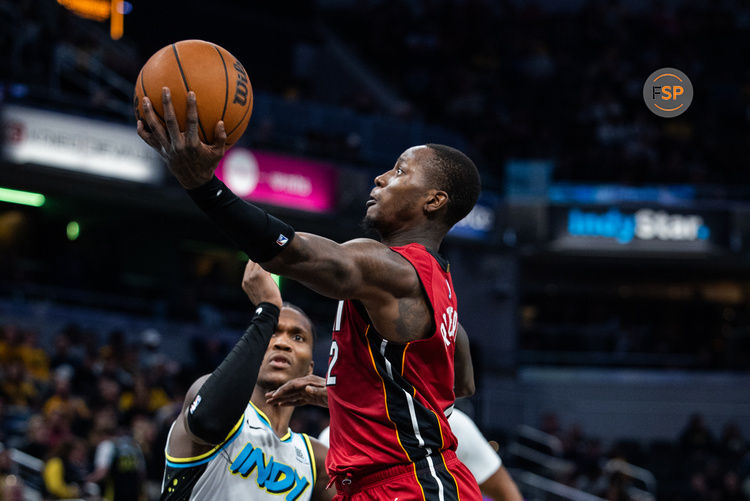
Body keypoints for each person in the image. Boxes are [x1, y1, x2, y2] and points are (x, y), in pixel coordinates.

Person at [138, 89, 483, 500]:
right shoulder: (439, 288)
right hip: (400, 481)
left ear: (434, 201)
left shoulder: (393, 268)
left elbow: (294, 255)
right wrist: (348, 395)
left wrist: (202, 186)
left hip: (410, 484)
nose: (381, 177)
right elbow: (459, 383)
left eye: (400, 172)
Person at [159, 260, 332, 500]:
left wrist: (341, 399)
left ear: (310, 368)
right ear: (254, 346)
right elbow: (207, 422)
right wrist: (266, 311)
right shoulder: (208, 395)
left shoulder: (315, 458)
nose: (282, 343)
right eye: (272, 332)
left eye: (297, 337)